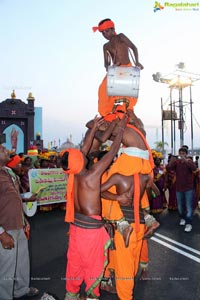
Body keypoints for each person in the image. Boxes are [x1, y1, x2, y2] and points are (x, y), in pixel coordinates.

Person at [60, 114, 128, 300]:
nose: (82, 153)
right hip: (90, 233)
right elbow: (113, 151)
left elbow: (83, 149)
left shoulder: (72, 175)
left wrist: (92, 130)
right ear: (79, 161)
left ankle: (72, 295)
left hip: (75, 229)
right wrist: (121, 127)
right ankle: (91, 297)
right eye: (79, 155)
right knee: (93, 268)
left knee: (74, 265)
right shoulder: (92, 175)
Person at [0, 144, 39, 299]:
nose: (6, 150)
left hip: (18, 224)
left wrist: (24, 220)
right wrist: (2, 234)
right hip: (5, 229)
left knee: (22, 262)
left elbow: (13, 197)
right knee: (6, 267)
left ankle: (21, 289)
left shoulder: (8, 172)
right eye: (1, 149)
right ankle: (5, 296)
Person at [92, 18, 144, 116]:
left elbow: (133, 47)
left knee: (127, 94)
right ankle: (106, 114)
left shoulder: (121, 37)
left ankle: (127, 111)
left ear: (112, 29)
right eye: (103, 33)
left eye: (106, 31)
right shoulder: (105, 46)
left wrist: (137, 62)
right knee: (102, 89)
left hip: (127, 67)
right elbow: (106, 63)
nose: (105, 34)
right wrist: (109, 67)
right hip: (115, 70)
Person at [166, 146, 197, 232]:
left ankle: (189, 223)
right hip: (179, 188)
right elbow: (168, 168)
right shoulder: (177, 162)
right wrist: (172, 160)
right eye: (180, 153)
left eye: (183, 153)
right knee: (180, 206)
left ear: (186, 154)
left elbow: (194, 168)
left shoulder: (190, 161)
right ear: (179, 154)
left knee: (189, 206)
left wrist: (186, 161)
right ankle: (182, 218)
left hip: (188, 189)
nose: (182, 155)